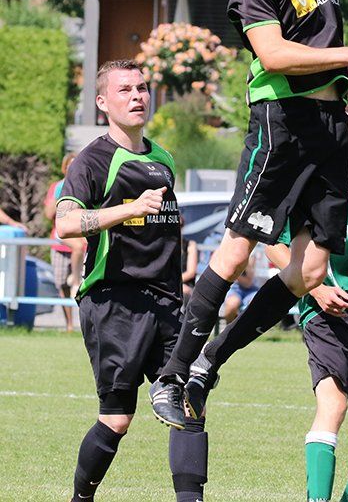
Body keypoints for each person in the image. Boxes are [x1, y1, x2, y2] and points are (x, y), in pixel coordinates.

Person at [150, 0, 348, 427]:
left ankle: (209, 363)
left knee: (311, 270)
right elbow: (276, 54)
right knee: (237, 249)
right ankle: (172, 374)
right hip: (283, 124)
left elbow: (327, 41)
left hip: (331, 125)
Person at [182, 101, 348, 502]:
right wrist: (316, 289)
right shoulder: (309, 175)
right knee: (333, 407)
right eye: (344, 110)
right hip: (325, 309)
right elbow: (275, 248)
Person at [55, 60, 209, 502]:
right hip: (114, 302)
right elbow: (65, 224)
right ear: (103, 102)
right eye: (125, 90)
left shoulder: (163, 159)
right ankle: (81, 498)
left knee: (189, 401)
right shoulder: (91, 161)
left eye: (142, 88)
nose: (138, 96)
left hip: (166, 304)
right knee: (117, 419)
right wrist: (129, 208)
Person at [43, 152, 86, 332]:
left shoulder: (84, 185)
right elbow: (48, 215)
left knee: (85, 287)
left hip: (81, 241)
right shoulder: (58, 186)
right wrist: (59, 196)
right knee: (61, 285)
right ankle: (69, 325)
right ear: (64, 168)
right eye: (69, 165)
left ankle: (85, 324)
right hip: (61, 242)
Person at [221, 255, 258, 323]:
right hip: (234, 288)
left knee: (255, 303)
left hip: (252, 289)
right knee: (232, 304)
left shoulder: (252, 254)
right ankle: (230, 328)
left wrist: (237, 268)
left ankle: (247, 328)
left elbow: (248, 283)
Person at [179, 215, 198, 304]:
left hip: (185, 284)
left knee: (184, 292)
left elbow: (191, 273)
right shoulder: (164, 245)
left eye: (180, 225)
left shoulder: (190, 245)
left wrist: (176, 283)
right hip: (168, 284)